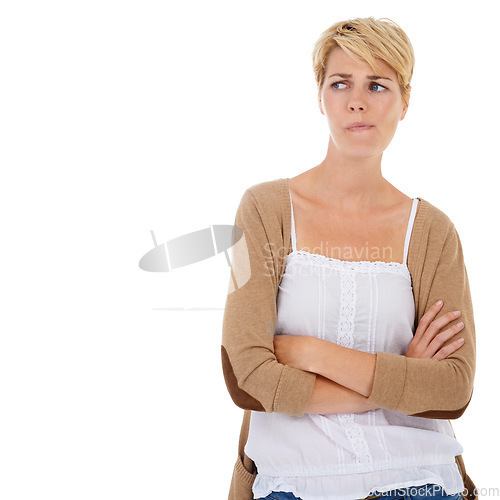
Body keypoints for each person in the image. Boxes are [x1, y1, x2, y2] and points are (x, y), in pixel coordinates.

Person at [221, 17, 476, 500]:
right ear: (321, 96)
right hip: (295, 485)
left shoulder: (432, 232)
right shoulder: (263, 210)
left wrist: (307, 353)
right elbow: (245, 376)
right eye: (341, 83)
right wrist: (401, 374)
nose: (357, 100)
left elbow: (452, 388)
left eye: (377, 85)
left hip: (416, 480)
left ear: (404, 103)